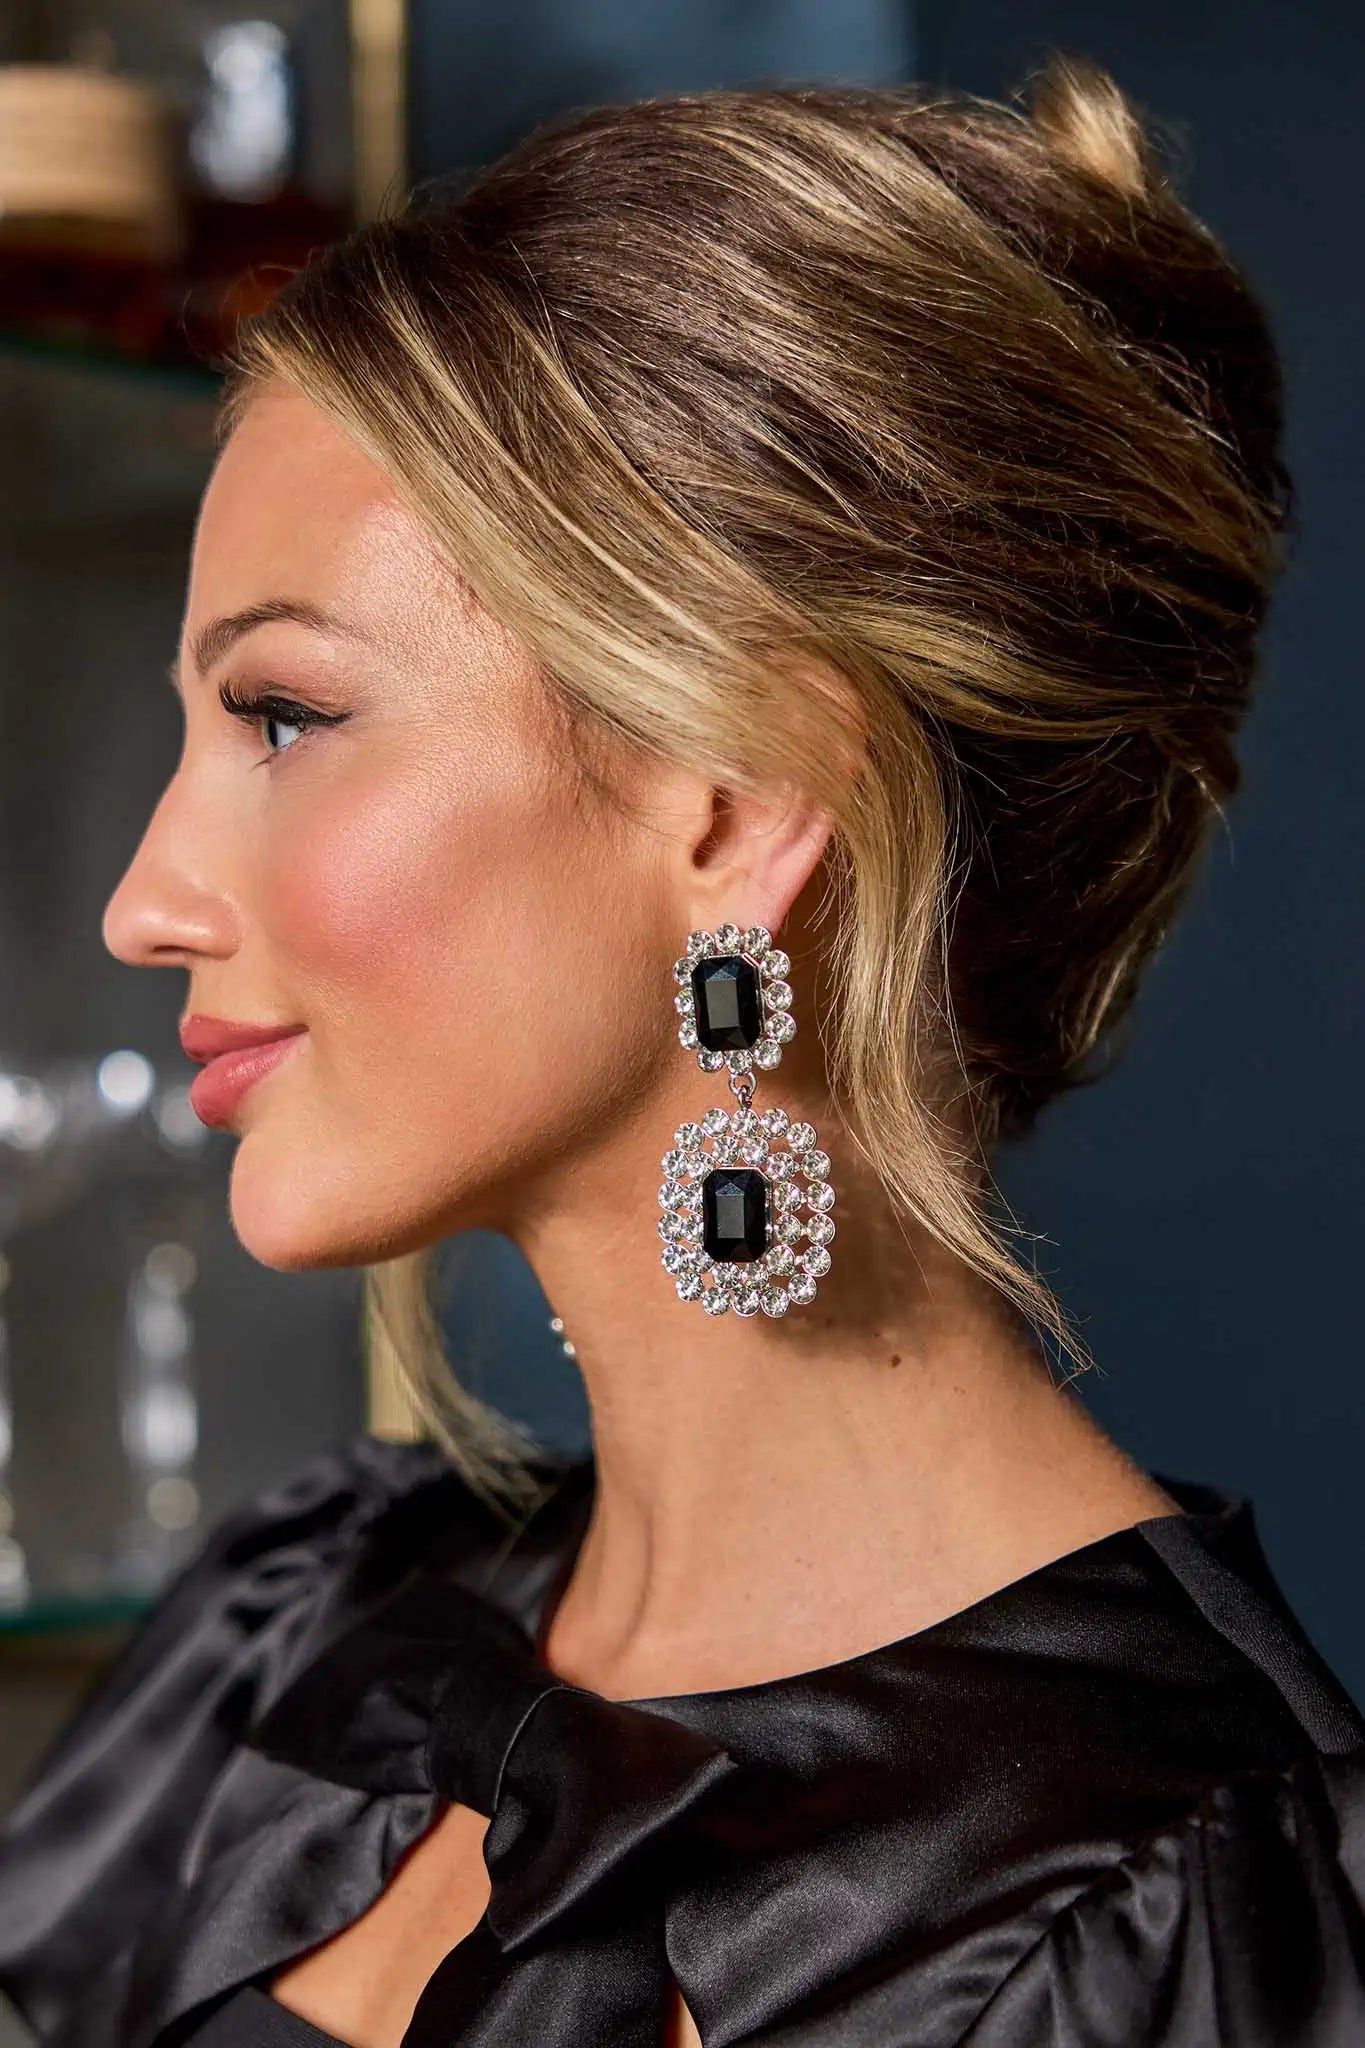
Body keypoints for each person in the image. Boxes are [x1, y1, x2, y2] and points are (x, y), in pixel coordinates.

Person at [2, 51, 1362, 2048]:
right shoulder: (287, 1630)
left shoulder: (1167, 1917)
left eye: (283, 714)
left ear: (736, 799)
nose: (146, 898)